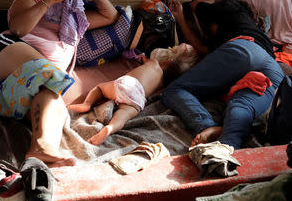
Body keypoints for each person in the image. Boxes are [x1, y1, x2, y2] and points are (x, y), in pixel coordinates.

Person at [0, 0, 119, 165]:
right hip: (11, 51)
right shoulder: (31, 0)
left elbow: (111, 16)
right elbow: (18, 29)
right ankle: (41, 146)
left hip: (45, 78)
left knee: (57, 105)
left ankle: (41, 147)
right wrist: (50, 0)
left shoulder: (75, 20)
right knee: (53, 77)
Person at [163, 0, 285, 149]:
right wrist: (180, 18)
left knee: (175, 90)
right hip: (273, 70)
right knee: (240, 106)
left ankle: (205, 125)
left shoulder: (230, 8)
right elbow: (202, 48)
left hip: (244, 51)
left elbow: (196, 5)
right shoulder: (244, 29)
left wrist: (194, 2)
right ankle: (226, 148)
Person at [68, 43, 199, 145]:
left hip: (128, 83)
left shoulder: (154, 64)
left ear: (167, 61)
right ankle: (110, 128)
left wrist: (144, 58)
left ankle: (86, 104)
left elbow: (147, 59)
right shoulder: (162, 85)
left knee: (100, 89)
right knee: (122, 117)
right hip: (138, 98)